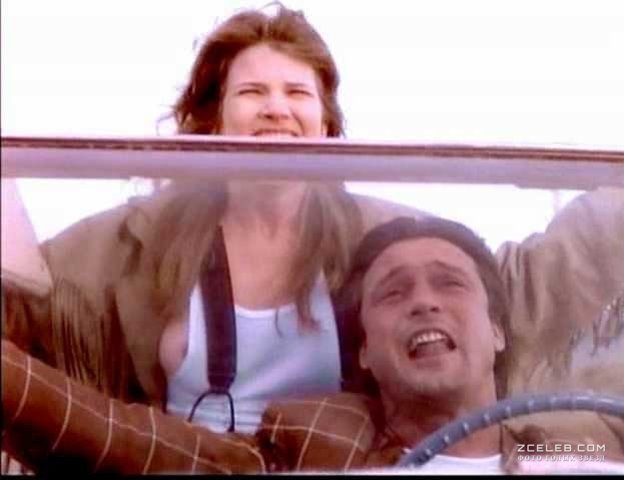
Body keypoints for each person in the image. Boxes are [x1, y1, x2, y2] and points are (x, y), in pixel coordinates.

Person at [0, 3, 420, 441]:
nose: (276, 108)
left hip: (333, 464)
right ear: (215, 120)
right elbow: (24, 297)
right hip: (181, 459)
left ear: (326, 123)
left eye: (297, 93)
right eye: (252, 92)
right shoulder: (140, 237)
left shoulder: (382, 238)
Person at [2, 216, 623, 474]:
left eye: (450, 283)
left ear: (497, 331)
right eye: (393, 292)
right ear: (364, 353)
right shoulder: (311, 443)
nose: (424, 301)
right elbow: (141, 445)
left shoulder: (579, 443)